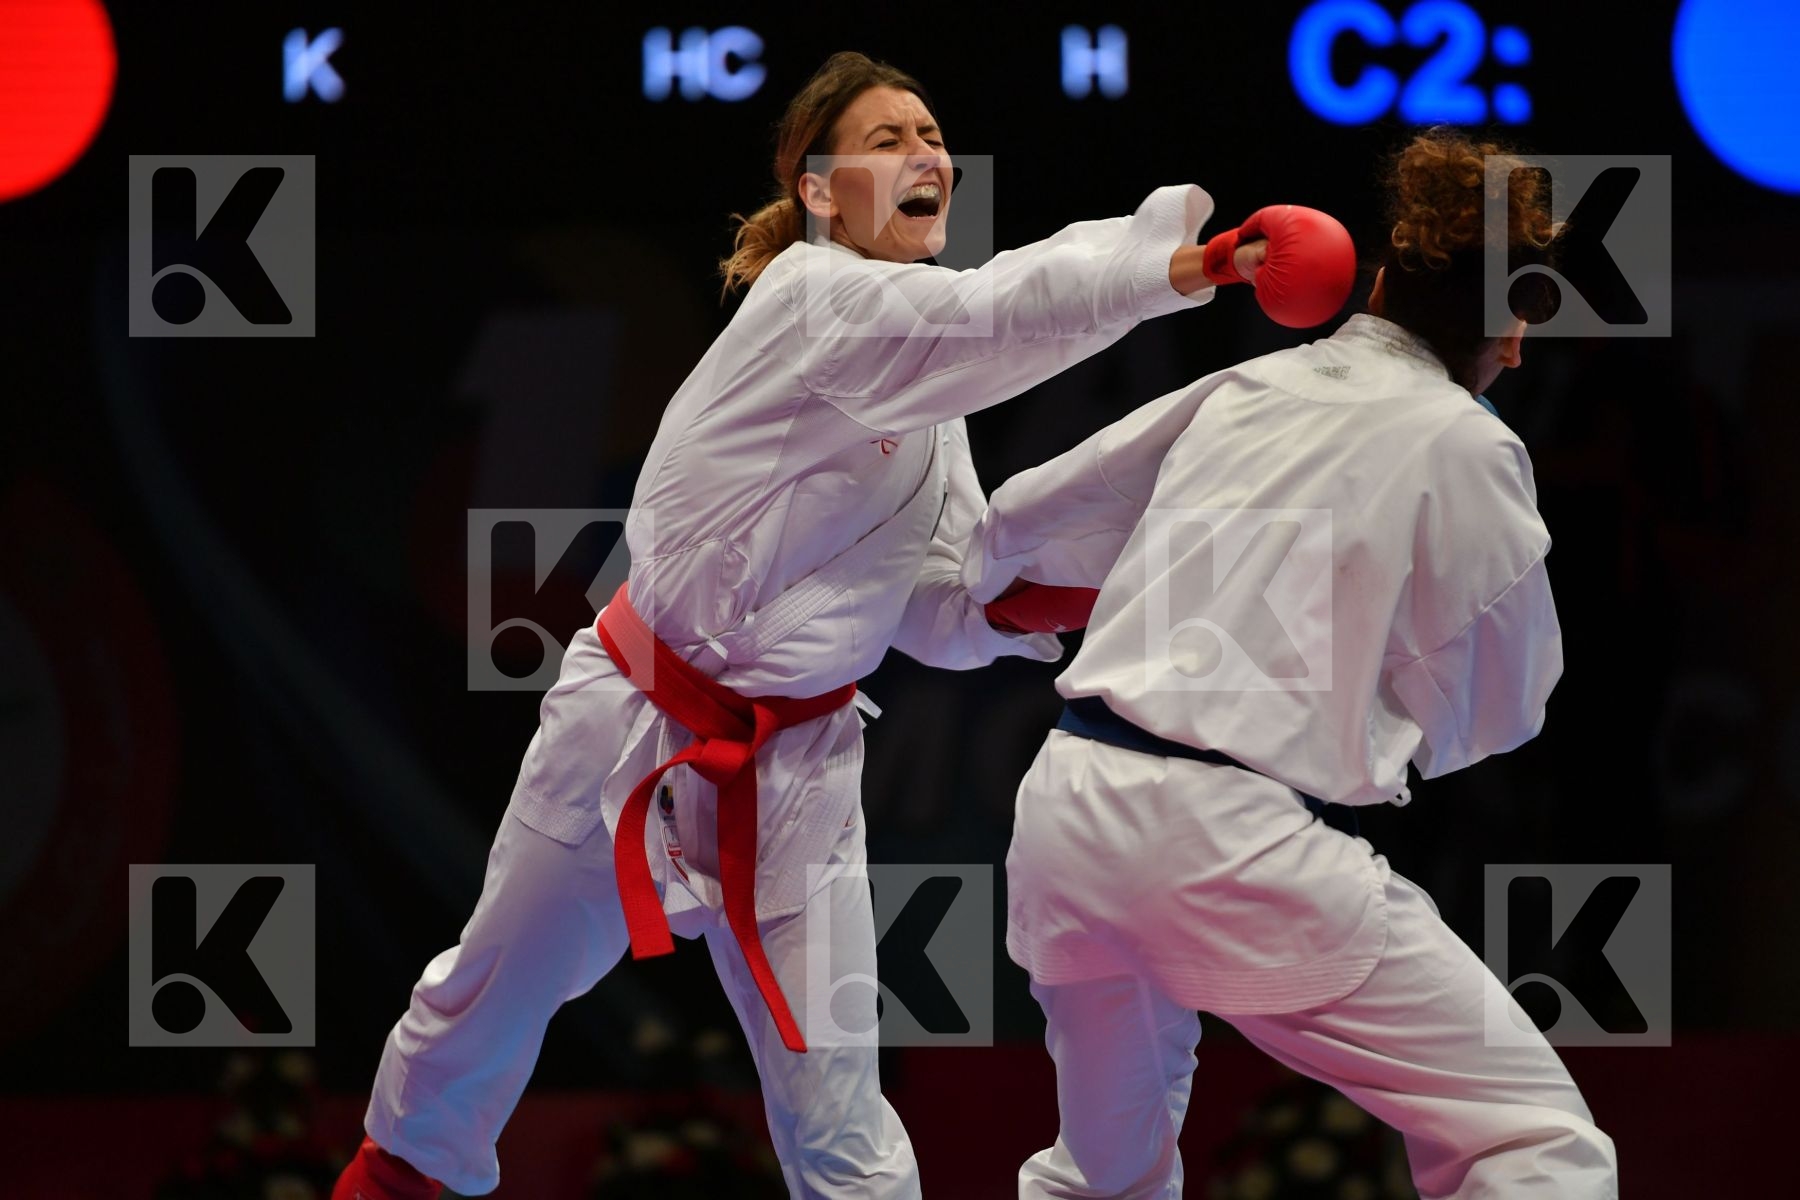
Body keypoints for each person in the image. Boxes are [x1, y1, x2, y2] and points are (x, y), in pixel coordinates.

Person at [332, 50, 1351, 1200]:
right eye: (889, 140)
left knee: (839, 1110)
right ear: (816, 191)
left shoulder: (927, 402)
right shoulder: (812, 300)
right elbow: (997, 310)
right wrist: (1185, 266)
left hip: (801, 769)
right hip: (633, 731)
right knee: (484, 1001)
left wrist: (1055, 589)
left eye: (934, 137)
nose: (929, 156)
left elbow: (940, 600)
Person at [958, 127, 1620, 1199]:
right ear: (1508, 319)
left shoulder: (1252, 383)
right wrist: (1377, 706)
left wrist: (1093, 599)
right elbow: (1505, 704)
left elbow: (1028, 514)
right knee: (1534, 1141)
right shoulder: (1470, 442)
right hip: (1230, 847)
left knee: (1102, 1177)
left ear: (1388, 275)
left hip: (1070, 811)